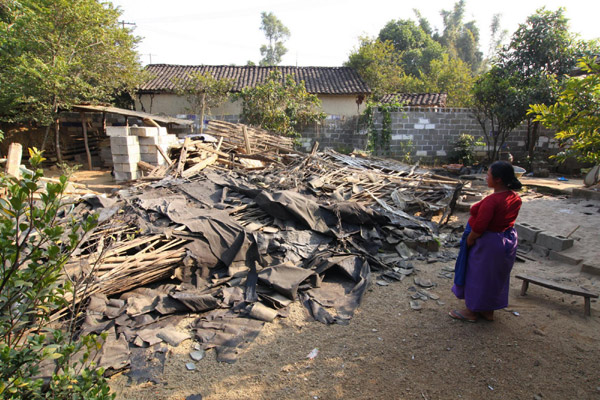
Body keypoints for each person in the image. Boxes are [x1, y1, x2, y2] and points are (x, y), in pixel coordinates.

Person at [450, 161, 522, 322]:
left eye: (488, 174)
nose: (485, 177)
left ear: (498, 179)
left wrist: (469, 240)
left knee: (478, 276)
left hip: (488, 243)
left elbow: (480, 227)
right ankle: (488, 310)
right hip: (506, 241)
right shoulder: (514, 197)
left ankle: (471, 312)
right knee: (495, 276)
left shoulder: (492, 201)